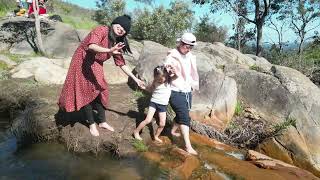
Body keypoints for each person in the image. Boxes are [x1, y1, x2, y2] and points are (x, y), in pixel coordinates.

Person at [58, 15, 145, 137]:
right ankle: (92, 124)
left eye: (124, 30)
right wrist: (109, 51)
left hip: (96, 63)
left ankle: (102, 122)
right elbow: (92, 46)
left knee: (101, 90)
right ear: (114, 23)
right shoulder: (101, 30)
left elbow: (121, 63)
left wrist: (135, 79)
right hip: (82, 61)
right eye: (120, 26)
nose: (121, 30)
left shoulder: (116, 42)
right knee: (86, 92)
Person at [164, 32, 199, 155]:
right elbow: (167, 68)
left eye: (191, 47)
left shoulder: (189, 55)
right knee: (185, 117)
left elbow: (190, 72)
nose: (188, 49)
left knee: (182, 114)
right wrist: (170, 71)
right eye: (186, 46)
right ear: (180, 43)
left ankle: (172, 131)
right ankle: (187, 146)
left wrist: (192, 84)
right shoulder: (172, 56)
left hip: (187, 90)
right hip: (175, 91)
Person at [133, 65, 177, 143]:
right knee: (148, 120)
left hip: (163, 105)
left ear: (166, 76)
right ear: (155, 77)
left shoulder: (169, 81)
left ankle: (156, 136)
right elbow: (150, 90)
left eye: (162, 78)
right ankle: (136, 132)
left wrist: (173, 70)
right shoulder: (155, 82)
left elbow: (177, 76)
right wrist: (145, 88)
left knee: (162, 124)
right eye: (158, 79)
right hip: (154, 103)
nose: (160, 80)